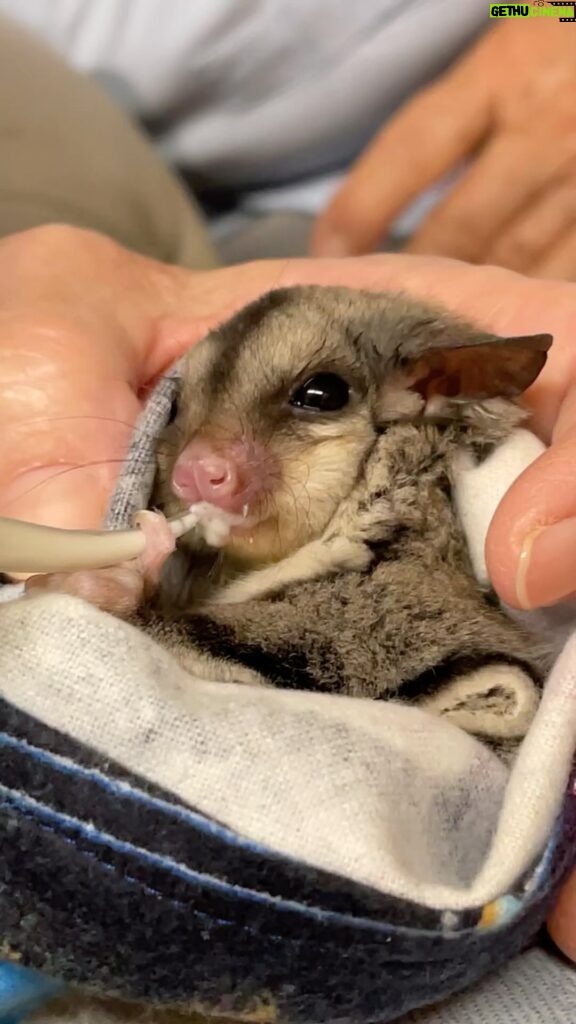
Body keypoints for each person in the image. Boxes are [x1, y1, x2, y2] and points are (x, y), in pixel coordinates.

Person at [0, 11, 574, 960]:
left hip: (462, 199)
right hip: (98, 130)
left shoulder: (418, 418)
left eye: (313, 403)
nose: (202, 463)